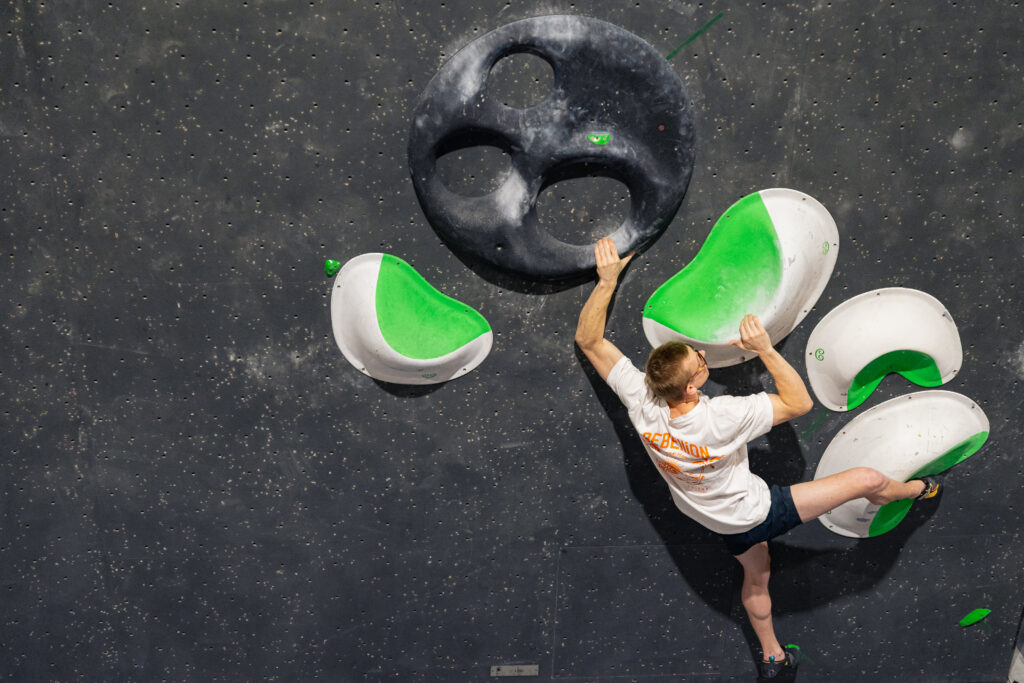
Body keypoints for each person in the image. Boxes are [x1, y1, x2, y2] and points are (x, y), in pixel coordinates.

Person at [574, 237, 940, 679]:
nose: (704, 357)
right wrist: (765, 349)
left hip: (715, 520)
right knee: (867, 480)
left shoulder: (642, 400)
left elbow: (589, 340)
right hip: (759, 512)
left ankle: (773, 659)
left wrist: (606, 282)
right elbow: (799, 403)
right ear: (689, 388)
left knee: (756, 577)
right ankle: (917, 490)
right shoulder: (722, 417)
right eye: (700, 362)